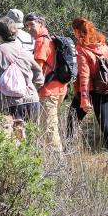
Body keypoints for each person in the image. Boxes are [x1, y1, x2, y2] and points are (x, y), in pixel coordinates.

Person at [70, 17, 108, 170]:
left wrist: (84, 99)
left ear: (78, 31)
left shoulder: (82, 49)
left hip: (89, 92)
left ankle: (67, 155)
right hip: (106, 89)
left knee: (71, 121)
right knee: (106, 124)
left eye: (74, 31)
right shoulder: (103, 45)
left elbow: (84, 77)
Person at [0, 16, 44, 122]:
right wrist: (31, 90)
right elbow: (39, 76)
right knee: (30, 136)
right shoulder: (25, 52)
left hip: (7, 103)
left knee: (10, 137)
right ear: (16, 33)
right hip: (31, 102)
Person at [24, 13, 67, 155]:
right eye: (27, 26)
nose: (29, 28)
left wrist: (29, 88)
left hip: (49, 91)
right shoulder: (50, 38)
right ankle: (52, 160)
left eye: (32, 25)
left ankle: (58, 165)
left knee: (49, 130)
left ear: (41, 24)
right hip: (59, 88)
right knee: (50, 126)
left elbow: (38, 69)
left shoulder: (41, 41)